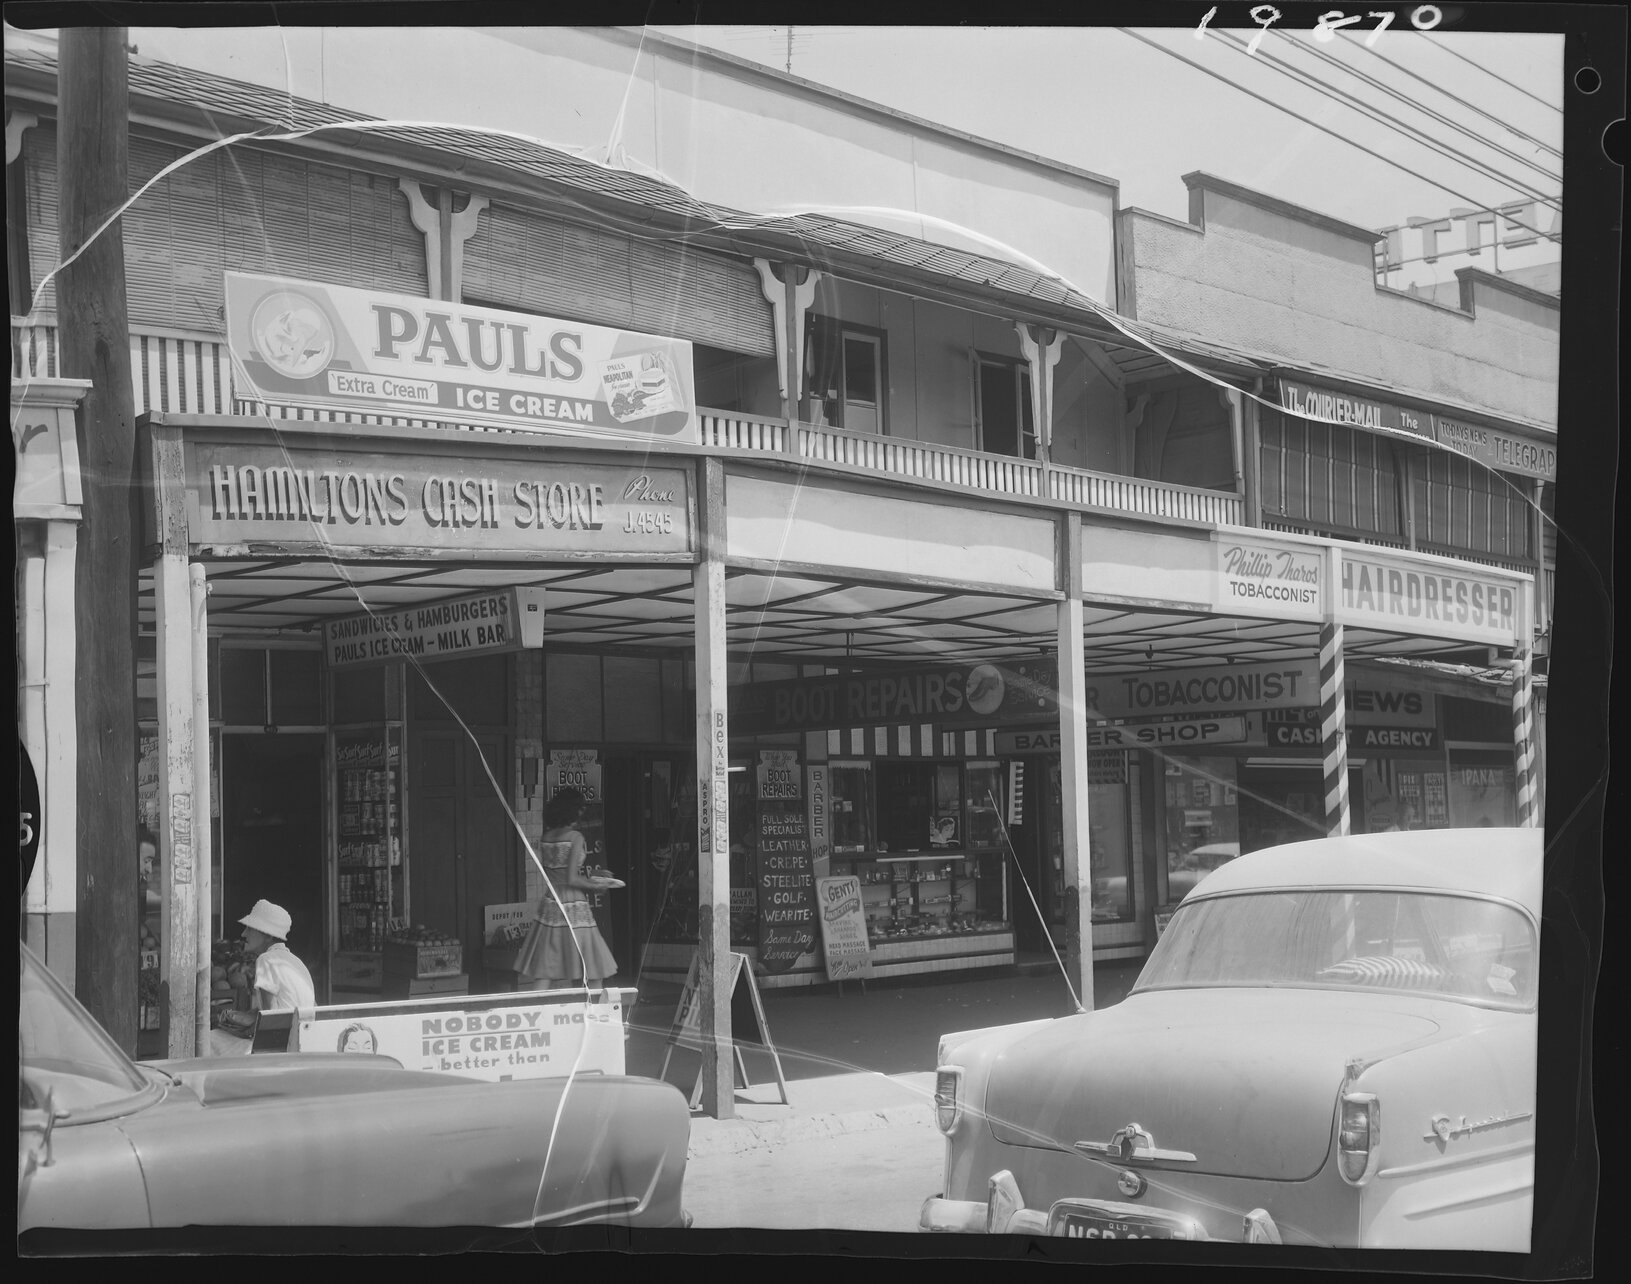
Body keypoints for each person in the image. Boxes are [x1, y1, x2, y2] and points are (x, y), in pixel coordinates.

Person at [515, 788, 617, 993]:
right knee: (594, 967)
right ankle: (595, 1015)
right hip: (574, 905)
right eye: (580, 809)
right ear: (574, 811)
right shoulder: (575, 837)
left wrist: (593, 876)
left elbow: (558, 874)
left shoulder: (547, 837)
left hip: (551, 903)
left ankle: (534, 1013)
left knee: (545, 969)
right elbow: (571, 878)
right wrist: (597, 884)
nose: (582, 813)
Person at [207, 899, 316, 1057]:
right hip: (298, 1041)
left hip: (278, 1046)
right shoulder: (295, 961)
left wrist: (242, 1027)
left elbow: (269, 1018)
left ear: (268, 936)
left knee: (210, 1040)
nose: (244, 934)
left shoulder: (266, 959)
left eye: (250, 929)